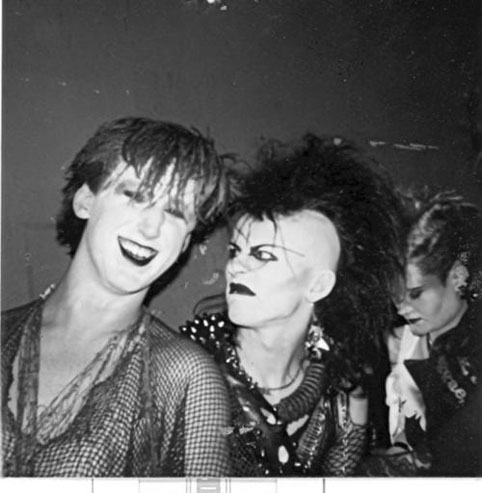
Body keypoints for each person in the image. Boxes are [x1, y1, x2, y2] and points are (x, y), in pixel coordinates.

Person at [2, 117, 234, 477]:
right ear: (85, 201)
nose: (151, 227)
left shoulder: (185, 376)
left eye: (175, 212)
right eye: (136, 196)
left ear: (185, 242)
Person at [180, 134, 406, 476]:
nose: (236, 266)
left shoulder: (342, 399)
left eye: (263, 255)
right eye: (235, 251)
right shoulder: (185, 368)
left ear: (318, 285)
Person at [390, 192, 482, 476]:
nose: (401, 306)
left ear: (458, 277)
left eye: (416, 293)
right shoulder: (409, 337)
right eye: (395, 293)